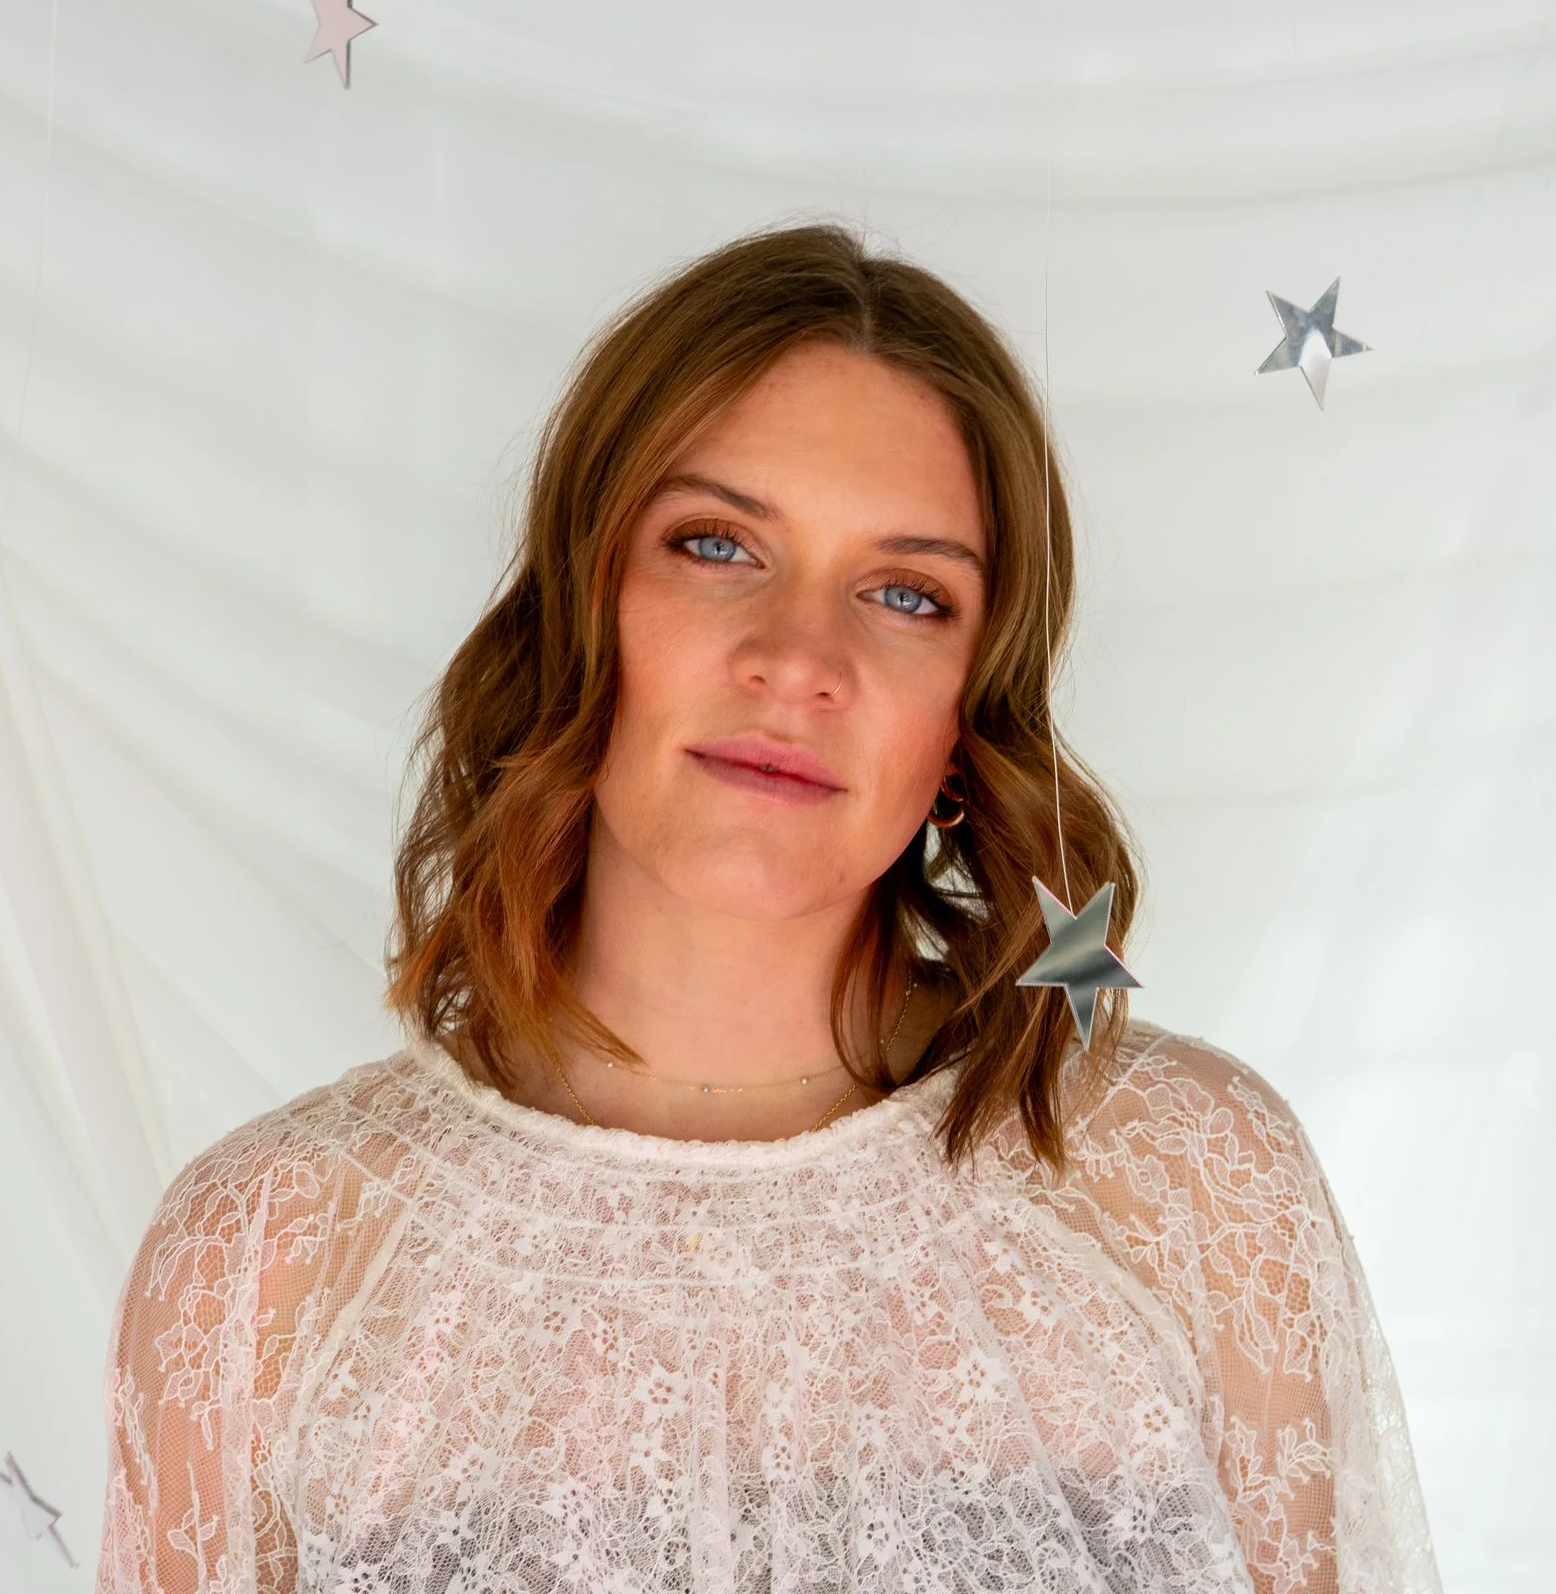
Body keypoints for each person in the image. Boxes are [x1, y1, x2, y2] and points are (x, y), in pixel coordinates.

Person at [93, 223, 1440, 1593]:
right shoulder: (265, 1265)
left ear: (967, 717)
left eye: (907, 593)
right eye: (718, 545)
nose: (800, 661)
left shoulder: (1190, 1185)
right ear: (580, 606)